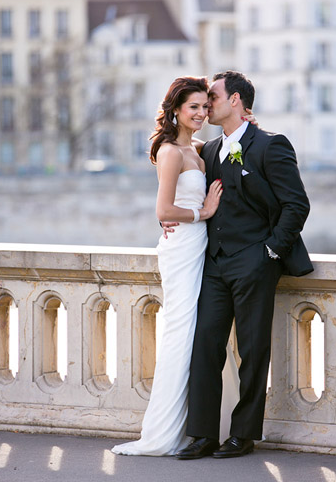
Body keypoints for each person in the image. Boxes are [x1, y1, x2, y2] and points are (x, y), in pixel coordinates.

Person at [175, 70, 313, 460]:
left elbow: (296, 205)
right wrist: (176, 216)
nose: (207, 104)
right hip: (214, 265)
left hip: (255, 262)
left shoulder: (271, 145)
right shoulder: (207, 151)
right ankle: (202, 434)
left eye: (213, 97)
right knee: (204, 346)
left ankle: (243, 435)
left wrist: (269, 251)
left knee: (253, 351)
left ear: (235, 100)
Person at [112, 75, 237, 456]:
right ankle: (165, 431)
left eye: (205, 106)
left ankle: (206, 421)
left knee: (199, 332)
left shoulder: (200, 149)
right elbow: (163, 210)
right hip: (182, 248)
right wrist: (204, 211)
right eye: (193, 107)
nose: (201, 113)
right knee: (180, 332)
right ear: (176, 111)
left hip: (200, 246)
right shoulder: (169, 152)